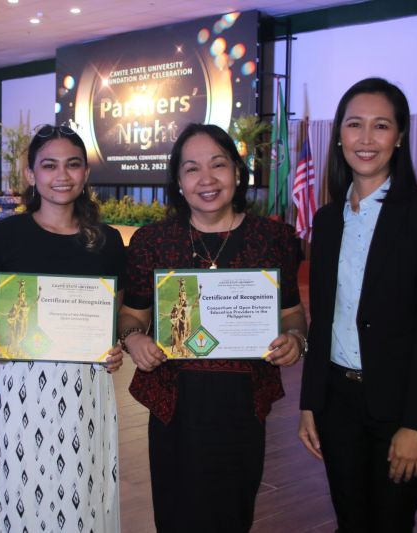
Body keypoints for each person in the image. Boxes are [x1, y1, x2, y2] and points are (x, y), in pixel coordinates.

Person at [117, 123, 308, 532]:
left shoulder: (273, 239)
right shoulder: (152, 242)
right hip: (175, 406)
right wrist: (134, 340)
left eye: (218, 165)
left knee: (233, 514)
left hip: (243, 405)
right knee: (175, 516)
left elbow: (292, 313)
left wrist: (295, 338)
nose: (207, 179)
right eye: (192, 169)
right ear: (178, 182)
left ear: (237, 173)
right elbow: (132, 316)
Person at [298, 78, 417, 532]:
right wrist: (311, 403)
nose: (366, 139)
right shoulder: (327, 221)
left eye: (381, 125)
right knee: (351, 522)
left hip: (399, 405)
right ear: (340, 136)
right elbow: (322, 319)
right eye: (354, 125)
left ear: (400, 136)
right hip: (336, 403)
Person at [0, 124, 126, 532]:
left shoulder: (107, 240)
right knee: (21, 485)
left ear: (86, 173)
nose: (62, 176)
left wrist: (116, 347)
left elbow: (116, 314)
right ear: (31, 175)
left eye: (73, 165)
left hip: (86, 385)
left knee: (84, 486)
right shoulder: (6, 234)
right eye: (49, 165)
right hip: (23, 378)